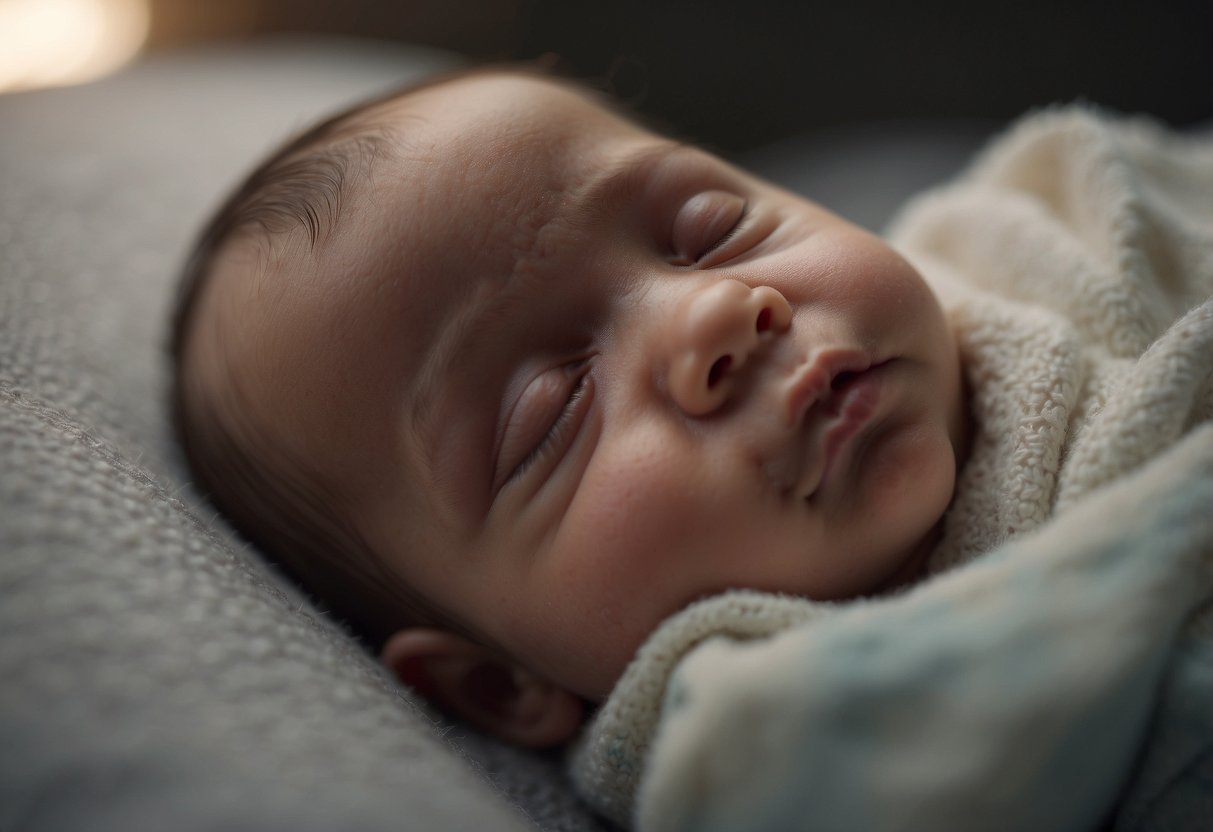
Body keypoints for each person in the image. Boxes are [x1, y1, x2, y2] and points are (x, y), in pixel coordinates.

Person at [170, 66, 972, 748]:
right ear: (499, 685)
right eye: (555, 413)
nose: (714, 315)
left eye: (710, 228)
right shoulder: (787, 762)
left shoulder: (1043, 231)